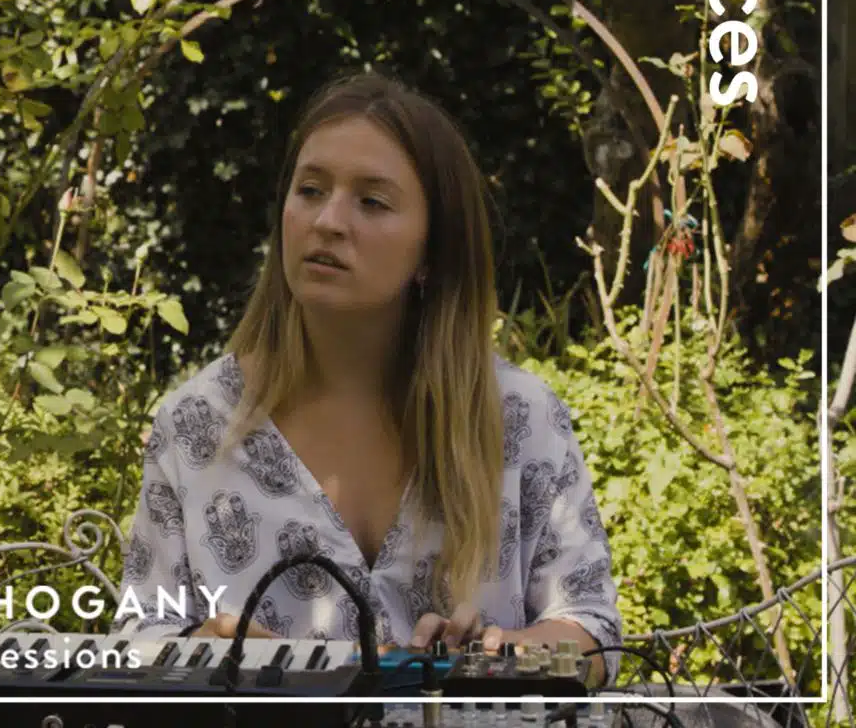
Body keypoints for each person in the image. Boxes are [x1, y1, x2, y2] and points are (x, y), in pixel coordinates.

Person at [118, 70, 621, 687]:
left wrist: (500, 657)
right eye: (310, 190)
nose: (328, 220)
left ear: (433, 251)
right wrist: (199, 654)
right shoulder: (197, 425)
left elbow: (593, 630)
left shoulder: (519, 418)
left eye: (372, 202)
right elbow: (138, 642)